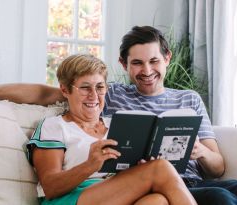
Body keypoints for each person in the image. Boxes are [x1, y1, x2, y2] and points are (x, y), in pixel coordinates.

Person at [0, 26, 237, 205]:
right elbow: (42, 95)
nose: (146, 71)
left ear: (166, 58)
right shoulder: (89, 106)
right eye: (137, 63)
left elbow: (219, 166)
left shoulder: (180, 101)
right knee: (214, 197)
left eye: (153, 61)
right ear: (125, 66)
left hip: (178, 183)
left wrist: (200, 151)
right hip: (114, 187)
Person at [27, 53, 196, 205]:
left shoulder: (118, 124)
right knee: (160, 168)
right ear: (65, 89)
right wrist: (90, 165)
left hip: (117, 195)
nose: (94, 95)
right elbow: (50, 187)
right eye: (85, 87)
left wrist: (140, 167)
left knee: (157, 201)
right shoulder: (54, 126)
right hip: (72, 198)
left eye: (100, 87)